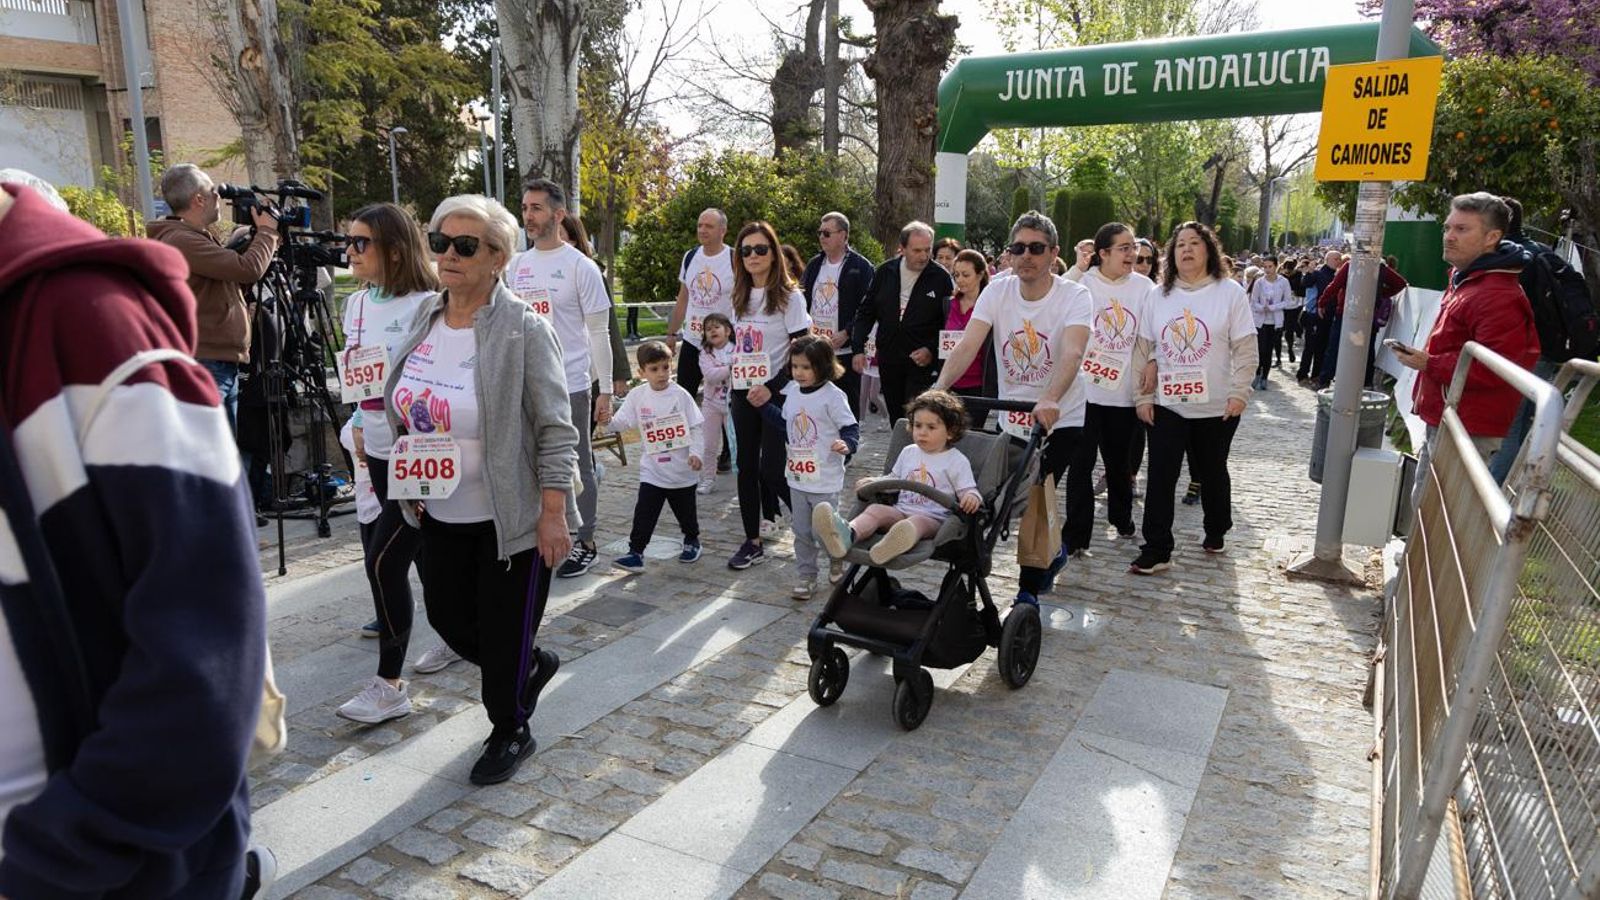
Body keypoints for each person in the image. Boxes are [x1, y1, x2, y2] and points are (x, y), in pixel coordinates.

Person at [0, 179, 270, 895]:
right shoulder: (183, 239)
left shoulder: (93, 317)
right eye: (211, 197)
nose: (219, 205)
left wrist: (53, 860)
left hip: (78, 866)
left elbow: (206, 661)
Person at [385, 194, 578, 785]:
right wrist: (408, 474)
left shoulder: (522, 329)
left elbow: (555, 427)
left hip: (509, 520)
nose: (447, 254)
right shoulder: (425, 317)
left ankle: (510, 727)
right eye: (439, 241)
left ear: (497, 257)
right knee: (447, 618)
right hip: (438, 511)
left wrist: (553, 513)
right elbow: (405, 407)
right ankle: (526, 666)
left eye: (464, 245)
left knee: (501, 632)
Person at [335, 203, 458, 725]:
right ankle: (457, 632)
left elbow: (441, 377)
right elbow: (356, 375)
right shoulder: (357, 304)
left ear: (393, 247)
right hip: (376, 450)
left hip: (419, 452)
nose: (351, 252)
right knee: (418, 558)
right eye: (350, 242)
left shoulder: (431, 304)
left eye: (361, 243)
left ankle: (390, 684)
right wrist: (357, 425)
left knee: (385, 561)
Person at [934, 210, 1092, 603]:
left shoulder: (1075, 296)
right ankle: (1049, 554)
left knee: (1037, 497)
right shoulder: (998, 291)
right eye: (1018, 248)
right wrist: (937, 389)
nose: (1026, 256)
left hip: (1061, 418)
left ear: (1054, 253)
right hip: (1013, 416)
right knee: (998, 499)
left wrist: (1051, 396)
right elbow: (969, 344)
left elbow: (1072, 352)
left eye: (1036, 248)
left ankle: (1027, 592)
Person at [1392, 192, 1540, 508]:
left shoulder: (1495, 293)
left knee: (1442, 519)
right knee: (1428, 510)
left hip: (1467, 426)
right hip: (1448, 417)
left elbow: (1494, 367)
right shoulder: (1468, 280)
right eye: (1448, 227)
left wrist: (1429, 363)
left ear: (1492, 237)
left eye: (1462, 229)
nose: (1449, 236)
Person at [1128, 221, 1257, 575]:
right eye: (1180, 244)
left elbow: (1245, 348)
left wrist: (1239, 392)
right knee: (1160, 475)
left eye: (1194, 243)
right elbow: (1144, 348)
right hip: (1168, 403)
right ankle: (1157, 547)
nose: (1186, 249)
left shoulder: (1230, 293)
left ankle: (1217, 528)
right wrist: (1142, 396)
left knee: (1212, 471)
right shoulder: (1158, 295)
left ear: (1209, 250)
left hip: (1217, 406)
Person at [507, 178, 614, 579]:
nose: (529, 216)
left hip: (570, 383)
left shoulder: (580, 267)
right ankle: (540, 530)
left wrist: (605, 388)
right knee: (528, 460)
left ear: (558, 214)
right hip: (524, 384)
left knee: (577, 462)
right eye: (525, 208)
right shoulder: (516, 266)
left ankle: (585, 540)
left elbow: (598, 332)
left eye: (536, 208)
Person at [147, 164, 280, 433]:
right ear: (198, 199)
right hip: (206, 365)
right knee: (213, 455)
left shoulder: (193, 238)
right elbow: (247, 269)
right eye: (213, 192)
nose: (219, 197)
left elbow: (225, 284)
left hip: (218, 364)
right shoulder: (181, 240)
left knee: (225, 456)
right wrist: (268, 232)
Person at [727, 221, 813, 569]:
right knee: (745, 466)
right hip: (742, 393)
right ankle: (752, 540)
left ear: (774, 253)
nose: (753, 256)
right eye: (746, 250)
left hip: (776, 394)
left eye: (760, 249)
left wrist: (773, 386)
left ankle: (813, 525)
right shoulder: (737, 296)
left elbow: (803, 348)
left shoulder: (790, 297)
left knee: (773, 471)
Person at [814, 390, 981, 566]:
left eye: (931, 427)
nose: (922, 433)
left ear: (951, 432)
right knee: (876, 510)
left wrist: (971, 497)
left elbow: (967, 489)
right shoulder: (909, 452)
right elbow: (893, 480)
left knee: (916, 522)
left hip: (933, 519)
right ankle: (847, 534)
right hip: (901, 511)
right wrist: (876, 482)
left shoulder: (956, 460)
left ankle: (892, 545)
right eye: (918, 426)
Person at [1487, 197, 1586, 483]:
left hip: (1520, 352)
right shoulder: (1542, 252)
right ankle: (1514, 484)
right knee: (1526, 422)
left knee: (1510, 426)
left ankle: (1494, 491)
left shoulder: (1510, 258)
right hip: (1546, 351)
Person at [1072, 223, 1157, 544]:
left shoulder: (1144, 287)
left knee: (1119, 463)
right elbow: (1055, 299)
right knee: (1080, 465)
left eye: (1133, 248)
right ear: (1103, 253)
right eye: (1124, 248)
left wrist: (1152, 361)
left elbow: (1155, 333)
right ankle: (1077, 535)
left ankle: (1122, 519)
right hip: (1083, 391)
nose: (1132, 254)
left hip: (1123, 393)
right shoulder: (1084, 283)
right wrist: (1078, 267)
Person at [604, 341, 705, 573]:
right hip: (653, 471)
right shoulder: (638, 396)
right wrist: (607, 422)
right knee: (644, 512)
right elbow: (623, 421)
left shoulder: (681, 396)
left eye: (665, 367)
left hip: (682, 471)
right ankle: (635, 552)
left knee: (686, 514)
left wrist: (696, 453)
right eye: (654, 369)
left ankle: (692, 540)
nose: (661, 374)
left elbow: (697, 427)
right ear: (642, 372)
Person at [780, 335, 860, 597]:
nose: (799, 373)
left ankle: (837, 556)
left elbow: (850, 427)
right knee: (801, 530)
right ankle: (806, 575)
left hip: (825, 477)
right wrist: (761, 409)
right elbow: (785, 425)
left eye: (806, 367)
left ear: (823, 366)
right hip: (797, 477)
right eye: (795, 366)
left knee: (824, 528)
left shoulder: (833, 397)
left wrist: (846, 444)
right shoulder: (791, 392)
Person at [850, 222, 953, 424]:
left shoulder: (940, 278)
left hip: (921, 364)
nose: (924, 256)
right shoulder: (885, 272)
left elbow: (949, 323)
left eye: (927, 250)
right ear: (903, 248)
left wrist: (931, 349)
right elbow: (866, 311)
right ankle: (903, 454)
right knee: (897, 419)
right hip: (889, 359)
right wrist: (858, 348)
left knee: (917, 416)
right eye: (917, 250)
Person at [800, 212, 875, 417]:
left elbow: (868, 308)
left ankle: (847, 448)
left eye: (827, 233)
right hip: (816, 349)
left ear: (843, 235)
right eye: (820, 233)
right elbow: (802, 302)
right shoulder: (815, 264)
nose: (822, 237)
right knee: (816, 407)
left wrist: (847, 332)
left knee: (845, 408)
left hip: (845, 352)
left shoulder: (861, 267)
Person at [559, 214, 632, 401]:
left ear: (574, 240)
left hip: (586, 373)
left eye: (559, 235)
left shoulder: (589, 272)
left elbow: (608, 326)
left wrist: (618, 373)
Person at [665, 208, 735, 398]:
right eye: (700, 225)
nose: (702, 230)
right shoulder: (690, 256)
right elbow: (683, 298)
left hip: (723, 344)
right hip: (692, 340)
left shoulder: (734, 259)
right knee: (684, 397)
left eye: (709, 226)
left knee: (725, 402)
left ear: (723, 230)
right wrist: (672, 333)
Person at [1318, 252, 1408, 388]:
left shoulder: (1351, 265)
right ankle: (1366, 382)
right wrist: (1381, 295)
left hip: (1347, 313)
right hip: (1368, 314)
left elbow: (1334, 285)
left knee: (1335, 347)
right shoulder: (1380, 267)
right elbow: (1400, 283)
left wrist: (1322, 303)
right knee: (1367, 349)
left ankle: (1325, 380)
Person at [944, 248, 994, 429]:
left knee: (971, 436)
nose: (960, 280)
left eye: (966, 275)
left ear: (980, 274)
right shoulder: (948, 304)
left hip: (978, 386)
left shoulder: (990, 306)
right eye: (956, 275)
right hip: (950, 383)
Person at [697, 313, 736, 494]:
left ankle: (742, 480)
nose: (712, 331)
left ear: (727, 330)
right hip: (711, 404)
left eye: (716, 327)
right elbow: (710, 376)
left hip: (733, 405)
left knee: (737, 445)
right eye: (708, 328)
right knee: (709, 444)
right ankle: (708, 478)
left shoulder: (737, 349)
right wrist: (729, 368)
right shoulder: (705, 353)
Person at [1297, 250, 1341, 385]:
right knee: (1310, 346)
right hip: (1314, 315)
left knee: (1322, 347)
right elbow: (1305, 283)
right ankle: (1302, 374)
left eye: (1339, 259)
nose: (1338, 262)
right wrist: (1309, 271)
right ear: (1327, 259)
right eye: (1336, 259)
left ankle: (1316, 374)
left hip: (1328, 316)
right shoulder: (1318, 273)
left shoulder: (1337, 275)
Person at [1249, 255, 1291, 390]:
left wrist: (1273, 307)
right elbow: (1253, 301)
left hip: (1275, 321)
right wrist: (1261, 308)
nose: (1267, 270)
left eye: (1270, 267)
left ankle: (1265, 376)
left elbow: (1288, 301)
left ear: (1276, 266)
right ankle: (1257, 373)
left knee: (1268, 351)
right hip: (1260, 321)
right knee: (1260, 349)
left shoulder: (1283, 282)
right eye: (1265, 267)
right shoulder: (1259, 282)